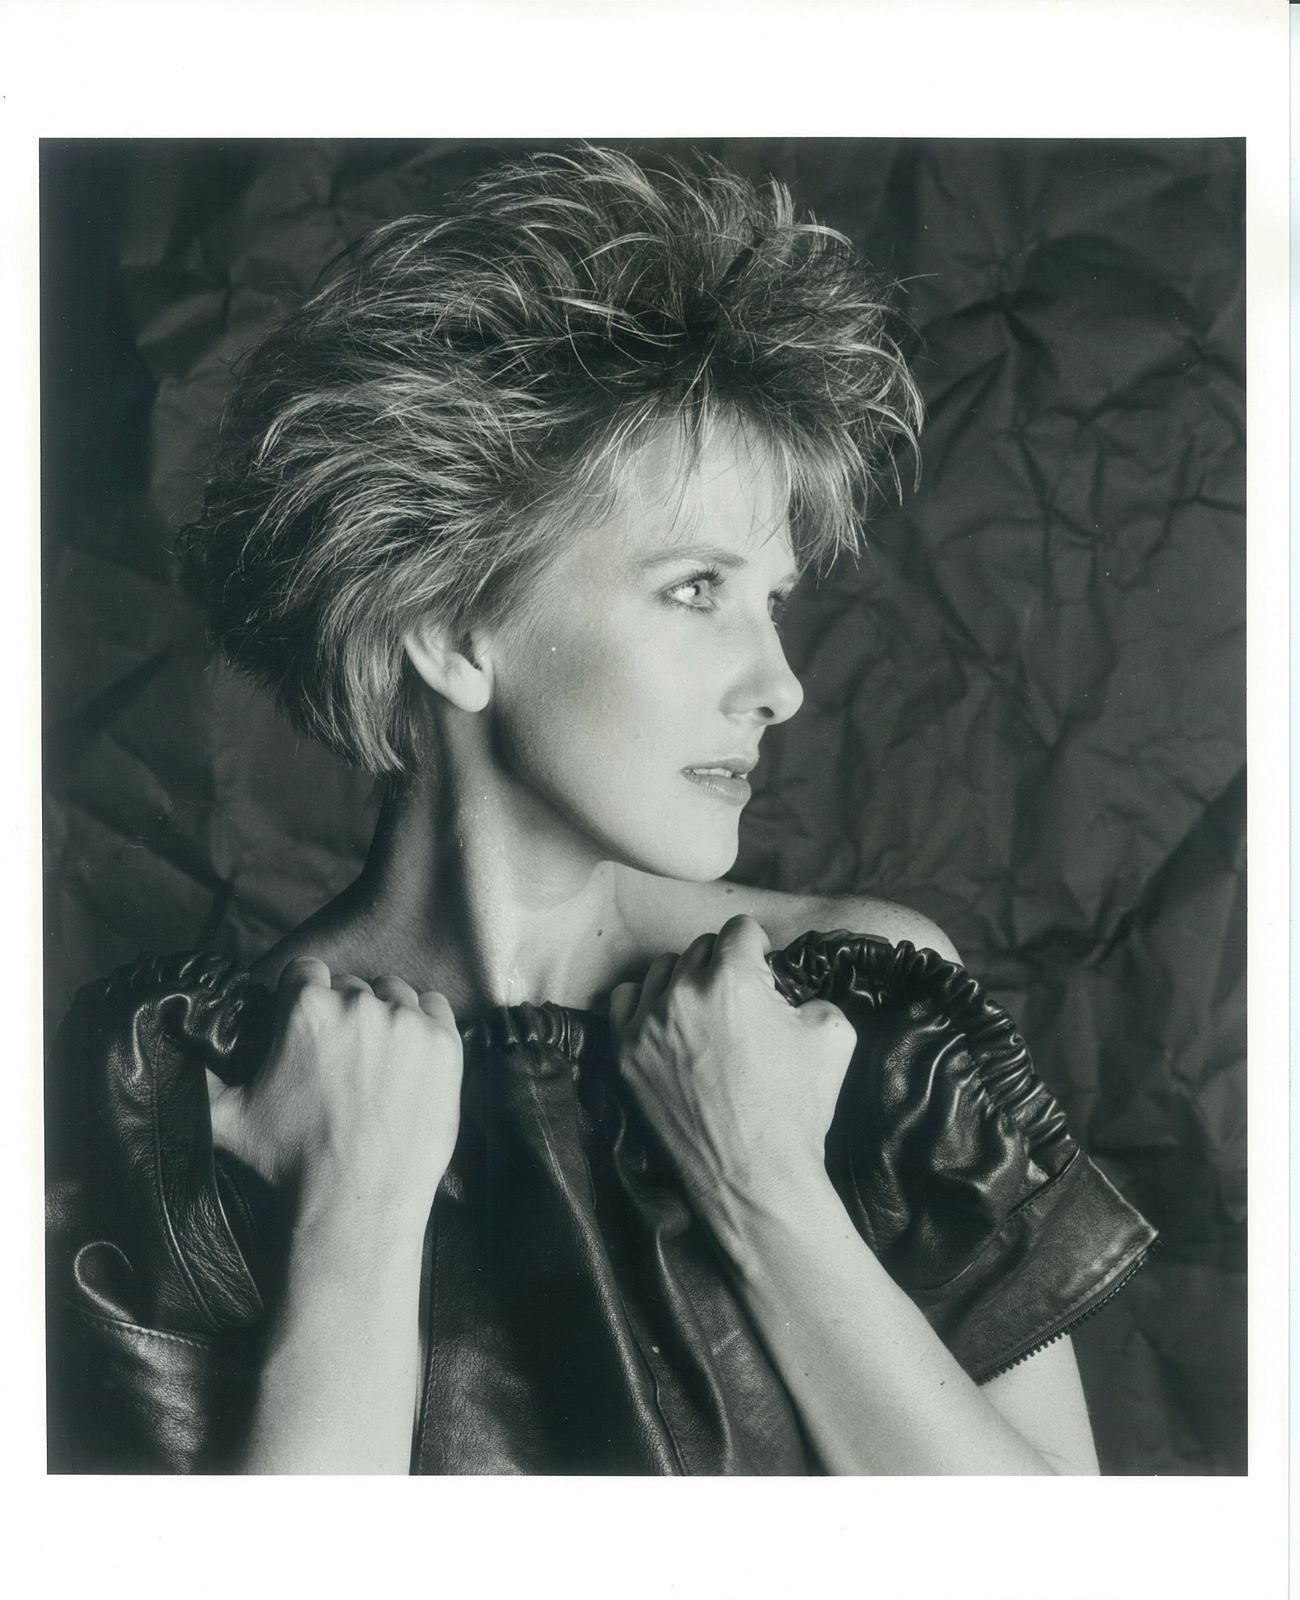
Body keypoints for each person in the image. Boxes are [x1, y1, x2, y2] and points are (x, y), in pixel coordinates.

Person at [45, 146, 1154, 1475]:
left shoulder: (862, 1014)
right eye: (696, 589)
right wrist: (357, 1213)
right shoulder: (203, 1096)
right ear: (453, 631)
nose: (781, 684)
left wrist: (766, 1186)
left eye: (773, 599)